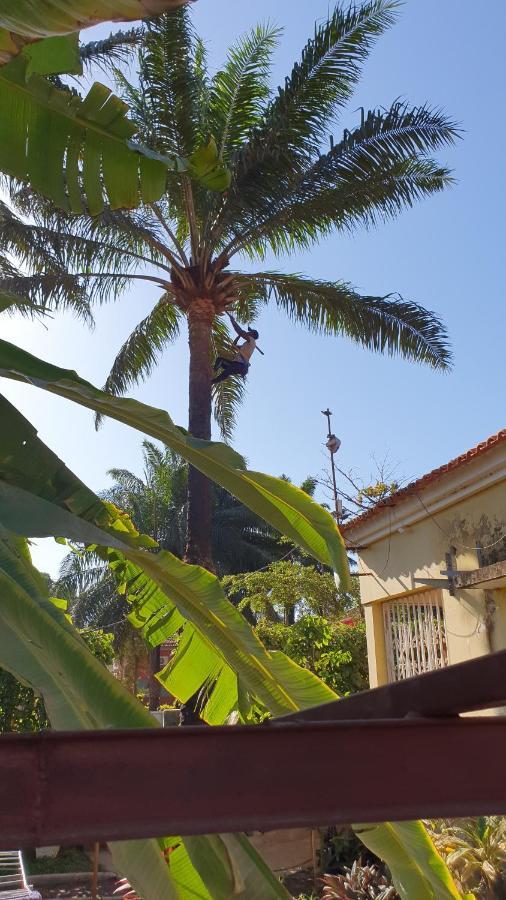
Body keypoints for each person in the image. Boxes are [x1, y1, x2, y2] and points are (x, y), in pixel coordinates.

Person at [212, 313, 262, 384]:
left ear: (252, 334)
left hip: (240, 365)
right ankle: (212, 372)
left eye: (250, 332)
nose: (248, 332)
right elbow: (233, 345)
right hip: (238, 365)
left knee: (227, 371)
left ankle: (212, 381)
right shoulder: (247, 345)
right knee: (220, 360)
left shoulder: (252, 340)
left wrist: (233, 321)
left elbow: (239, 331)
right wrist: (239, 336)